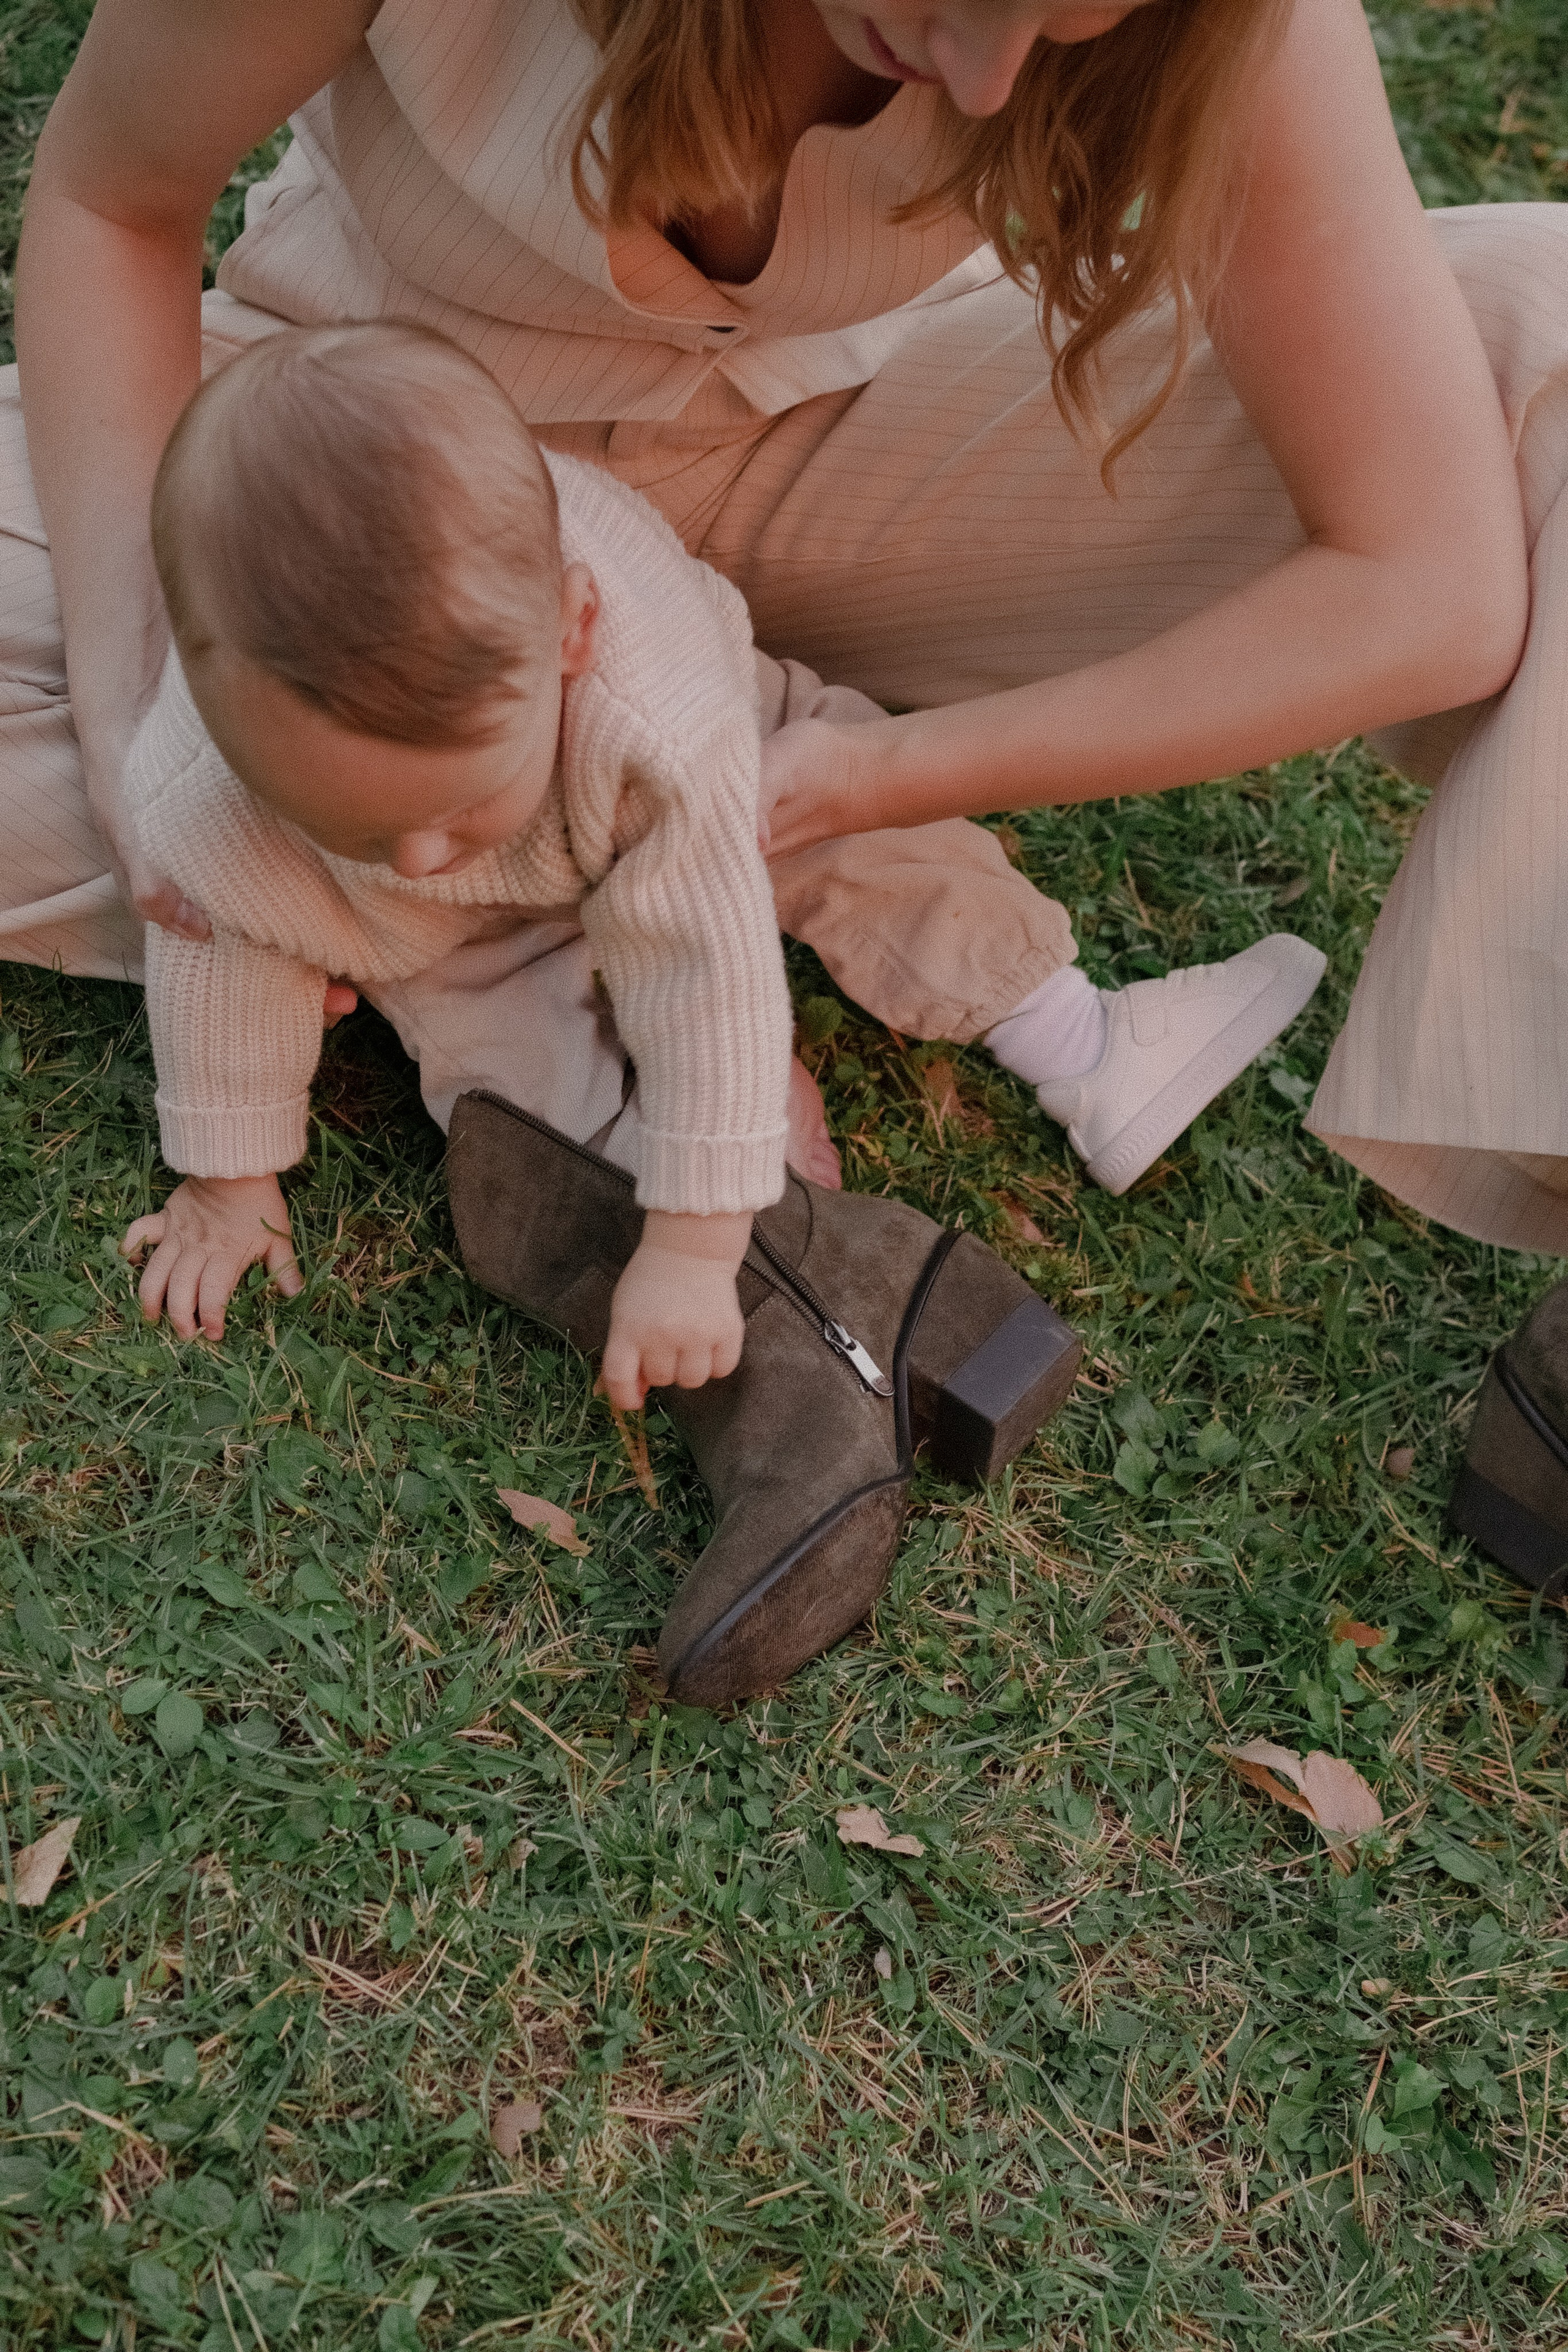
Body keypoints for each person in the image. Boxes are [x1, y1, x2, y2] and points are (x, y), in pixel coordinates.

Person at [4, 3, 1565, 1242]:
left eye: (1064, 26)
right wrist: (156, 722)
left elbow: (1425, 587)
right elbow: (110, 204)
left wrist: (853, 784)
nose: (980, 71)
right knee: (140, 659)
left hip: (833, 445)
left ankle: (438, 880)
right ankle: (538, 896)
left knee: (1544, 334)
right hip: (361, 499)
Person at [119, 315, 1323, 1374]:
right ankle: (685, 1174)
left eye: (458, 803)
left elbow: (703, 961)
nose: (423, 854)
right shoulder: (209, 790)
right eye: (362, 824)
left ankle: (1076, 1036)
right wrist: (229, 1183)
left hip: (707, 792)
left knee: (856, 839)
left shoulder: (653, 720)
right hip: (431, 945)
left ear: (572, 634)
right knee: (505, 1076)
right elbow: (218, 956)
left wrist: (694, 1247)